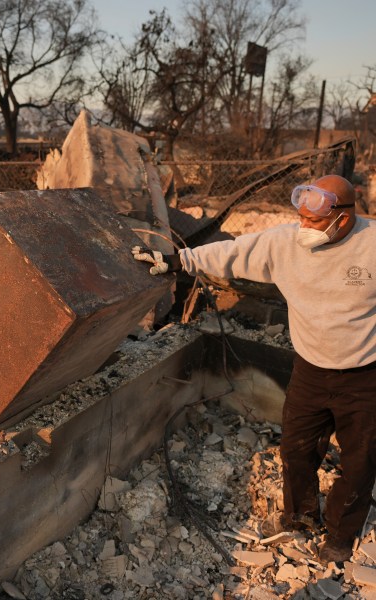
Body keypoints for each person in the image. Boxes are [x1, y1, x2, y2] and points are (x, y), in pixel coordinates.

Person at [132, 174, 376, 565]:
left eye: (312, 221)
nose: (303, 228)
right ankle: (299, 517)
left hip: (364, 377)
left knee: (360, 463)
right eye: (300, 218)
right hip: (311, 370)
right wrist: (177, 262)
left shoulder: (372, 245)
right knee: (295, 451)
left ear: (343, 219)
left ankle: (340, 534)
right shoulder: (284, 243)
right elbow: (231, 253)